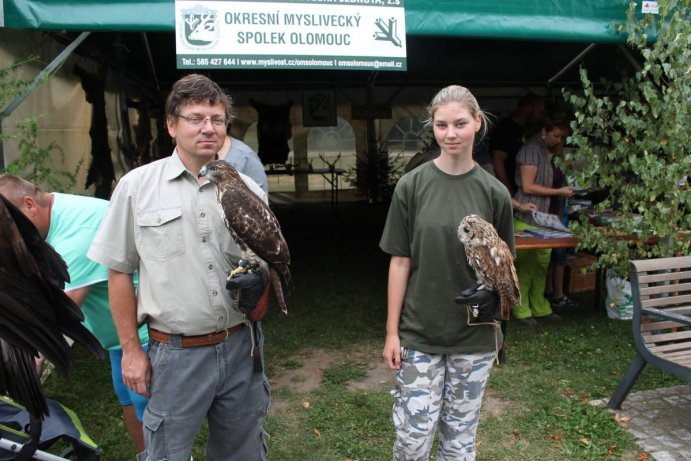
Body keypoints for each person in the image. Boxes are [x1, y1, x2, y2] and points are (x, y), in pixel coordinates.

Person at [87, 73, 271, 461]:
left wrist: (262, 283)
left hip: (241, 346)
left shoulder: (248, 190)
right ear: (171, 125)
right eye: (195, 118)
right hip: (175, 354)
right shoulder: (136, 187)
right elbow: (118, 271)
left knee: (242, 452)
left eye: (217, 119)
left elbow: (266, 265)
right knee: (167, 453)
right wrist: (131, 351)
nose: (209, 128)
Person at [380, 85, 515, 460]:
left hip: (474, 335)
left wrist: (496, 307)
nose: (450, 133)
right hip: (420, 332)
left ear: (477, 122)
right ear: (433, 127)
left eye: (459, 123)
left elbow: (505, 267)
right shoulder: (412, 185)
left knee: (459, 441)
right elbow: (400, 260)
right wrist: (393, 332)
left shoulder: (494, 193)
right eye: (441, 125)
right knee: (412, 437)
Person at [0, 174, 149, 452]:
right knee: (131, 405)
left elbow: (55, 322)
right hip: (120, 340)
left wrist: (24, 372)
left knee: (154, 415)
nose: (11, 236)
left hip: (145, 335)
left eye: (11, 225)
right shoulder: (54, 216)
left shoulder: (78, 232)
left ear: (30, 204)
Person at [512, 113, 575, 326]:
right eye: (556, 135)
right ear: (544, 132)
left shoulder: (548, 152)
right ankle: (521, 309)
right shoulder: (530, 151)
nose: (559, 140)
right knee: (527, 266)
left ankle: (540, 307)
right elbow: (528, 186)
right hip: (527, 215)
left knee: (541, 265)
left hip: (546, 217)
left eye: (562, 137)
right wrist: (559, 192)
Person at [490, 93, 546, 195]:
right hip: (509, 190)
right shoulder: (506, 128)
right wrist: (508, 192)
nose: (540, 116)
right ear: (529, 108)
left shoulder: (527, 129)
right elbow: (497, 162)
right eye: (539, 112)